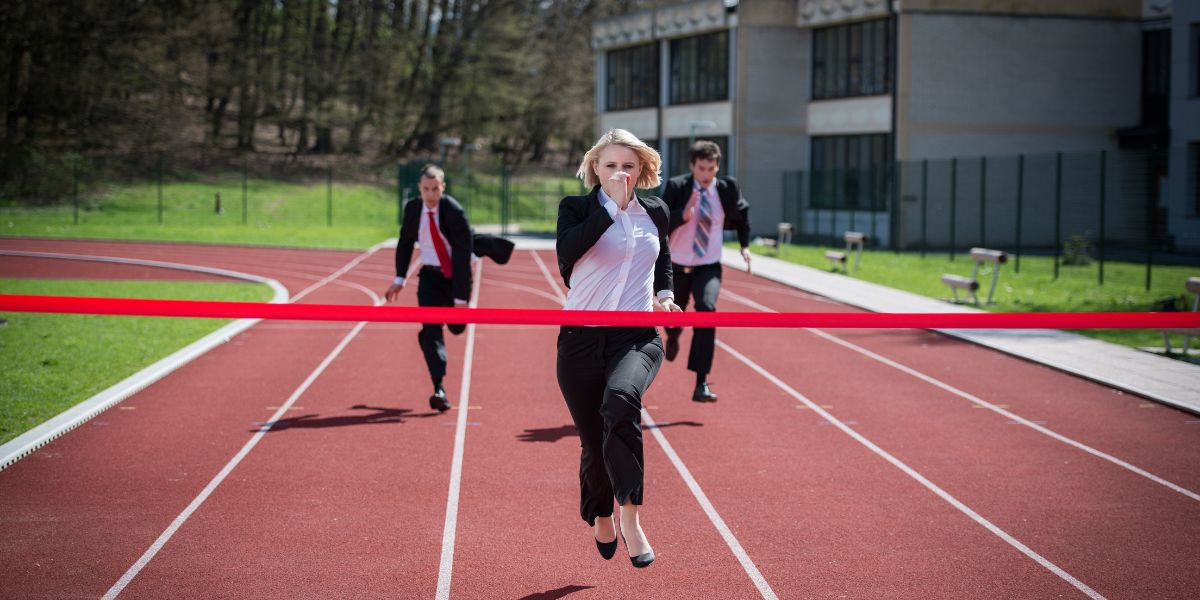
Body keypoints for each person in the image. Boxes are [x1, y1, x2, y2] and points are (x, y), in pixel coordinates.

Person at [556, 129, 681, 568]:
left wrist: (665, 294)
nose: (619, 173)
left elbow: (662, 256)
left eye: (628, 165)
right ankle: (601, 511)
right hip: (580, 340)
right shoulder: (576, 209)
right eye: (610, 166)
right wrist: (611, 208)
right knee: (593, 442)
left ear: (642, 169)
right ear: (595, 169)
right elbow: (568, 257)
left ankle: (630, 515)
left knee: (622, 401)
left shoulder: (657, 212)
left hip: (636, 337)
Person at [661, 140, 751, 403]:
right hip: (676, 265)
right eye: (701, 168)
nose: (706, 175)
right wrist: (682, 216)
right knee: (674, 315)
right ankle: (673, 334)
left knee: (707, 311)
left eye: (711, 169)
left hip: (708, 265)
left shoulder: (727, 188)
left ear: (717, 167)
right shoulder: (677, 187)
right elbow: (660, 221)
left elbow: (743, 214)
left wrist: (745, 246)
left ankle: (701, 382)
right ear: (692, 166)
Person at [384, 164, 473, 413]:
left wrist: (460, 298)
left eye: (435, 189)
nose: (431, 195)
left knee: (456, 328)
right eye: (426, 189)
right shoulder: (413, 209)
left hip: (454, 278)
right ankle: (439, 388)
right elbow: (404, 243)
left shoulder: (454, 212)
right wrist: (399, 279)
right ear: (419, 189)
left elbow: (463, 257)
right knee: (431, 330)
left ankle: (431, 336)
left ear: (443, 187)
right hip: (430, 279)